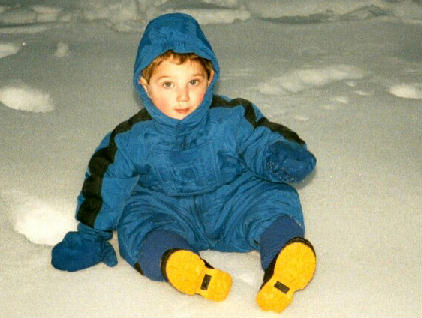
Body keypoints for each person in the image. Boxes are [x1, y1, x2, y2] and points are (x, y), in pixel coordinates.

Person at [51, 12, 317, 313]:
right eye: (168, 84)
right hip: (167, 209)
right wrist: (90, 235)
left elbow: (260, 139)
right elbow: (106, 182)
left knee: (271, 199)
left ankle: (285, 254)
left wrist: (280, 155)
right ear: (144, 84)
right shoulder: (132, 138)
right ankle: (180, 263)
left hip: (233, 200)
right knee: (137, 224)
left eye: (193, 81)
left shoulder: (231, 117)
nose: (183, 96)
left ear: (210, 77)